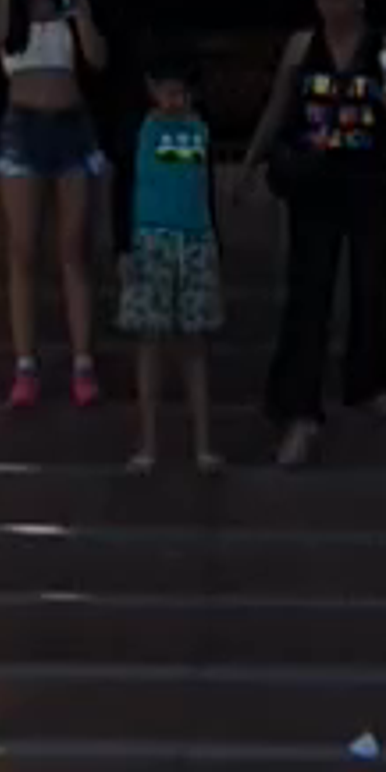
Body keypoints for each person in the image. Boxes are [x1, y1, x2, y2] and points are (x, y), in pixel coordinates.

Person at [249, 0, 386, 465]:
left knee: (371, 281)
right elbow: (280, 105)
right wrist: (254, 161)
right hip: (315, 180)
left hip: (370, 177)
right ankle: (296, 403)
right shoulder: (303, 45)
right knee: (309, 288)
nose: (329, 6)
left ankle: (369, 379)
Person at [0, 0, 107, 415]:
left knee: (73, 247)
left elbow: (98, 58)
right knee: (23, 247)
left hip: (71, 124)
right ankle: (26, 364)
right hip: (24, 125)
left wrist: (77, 6)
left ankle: (83, 362)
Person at [118, 43, 226, 475]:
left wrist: (216, 241)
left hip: (196, 242)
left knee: (194, 348)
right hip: (150, 242)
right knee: (150, 344)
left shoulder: (201, 129)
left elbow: (207, 188)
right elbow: (123, 188)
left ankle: (203, 445)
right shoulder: (137, 130)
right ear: (150, 89)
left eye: (181, 92)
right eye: (166, 91)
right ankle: (148, 444)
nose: (173, 100)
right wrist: (123, 248)